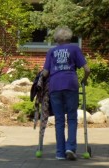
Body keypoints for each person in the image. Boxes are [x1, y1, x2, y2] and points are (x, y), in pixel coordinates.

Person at [41, 26, 90, 160]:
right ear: (70, 37)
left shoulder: (51, 51)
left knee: (59, 120)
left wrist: (39, 81)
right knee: (72, 118)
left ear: (56, 38)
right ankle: (70, 148)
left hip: (55, 86)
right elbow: (87, 69)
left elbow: (45, 72)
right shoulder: (75, 49)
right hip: (71, 85)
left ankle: (59, 153)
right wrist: (84, 80)